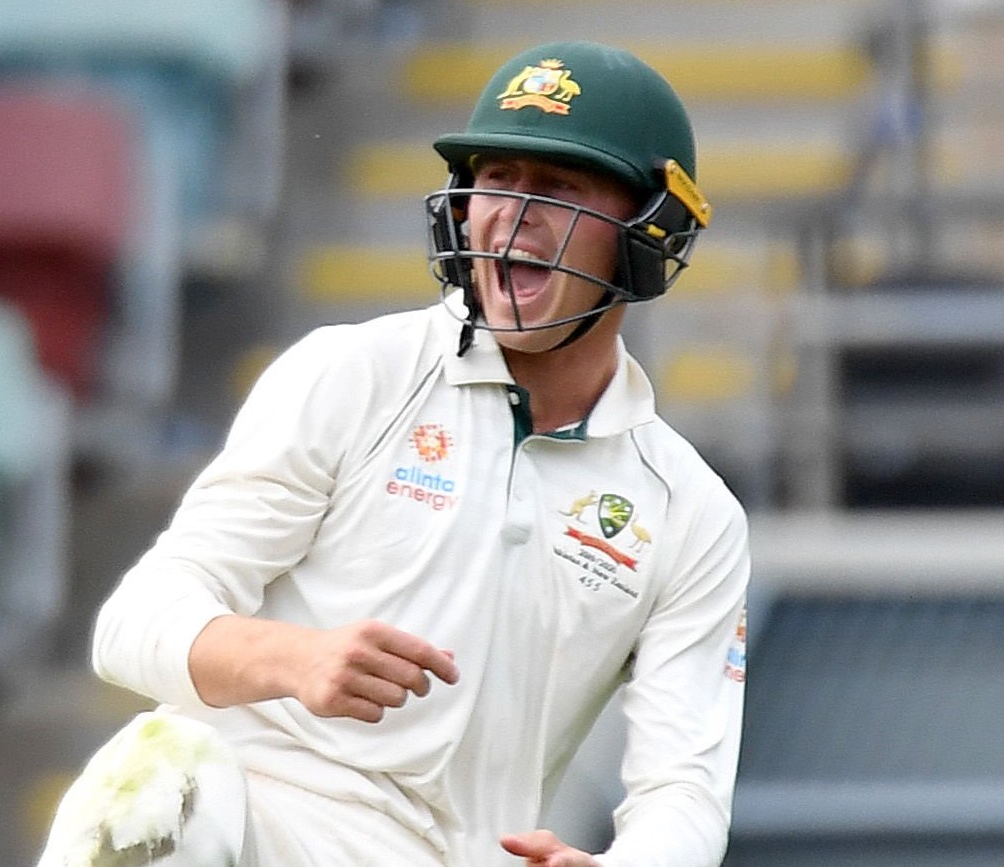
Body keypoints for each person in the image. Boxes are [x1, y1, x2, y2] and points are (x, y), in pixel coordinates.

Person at [38, 39, 749, 867]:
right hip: (264, 827)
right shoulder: (353, 373)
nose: (512, 216)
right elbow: (133, 623)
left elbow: (684, 787)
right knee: (155, 775)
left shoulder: (691, 515)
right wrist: (295, 656)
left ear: (646, 232)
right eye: (497, 180)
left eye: (558, 188)